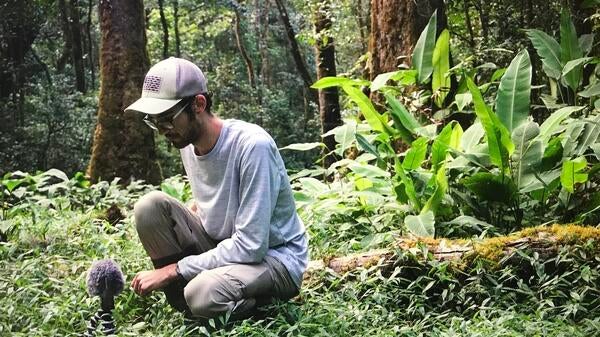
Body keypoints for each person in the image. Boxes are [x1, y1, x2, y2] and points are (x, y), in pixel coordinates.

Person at [124, 57, 309, 321]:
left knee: (202, 293)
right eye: (154, 122)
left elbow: (252, 247)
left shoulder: (252, 147)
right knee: (149, 208)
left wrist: (174, 269)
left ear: (198, 104)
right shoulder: (187, 143)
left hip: (274, 258)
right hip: (224, 246)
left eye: (166, 119)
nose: (163, 130)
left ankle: (257, 308)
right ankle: (190, 306)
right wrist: (183, 220)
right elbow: (212, 196)